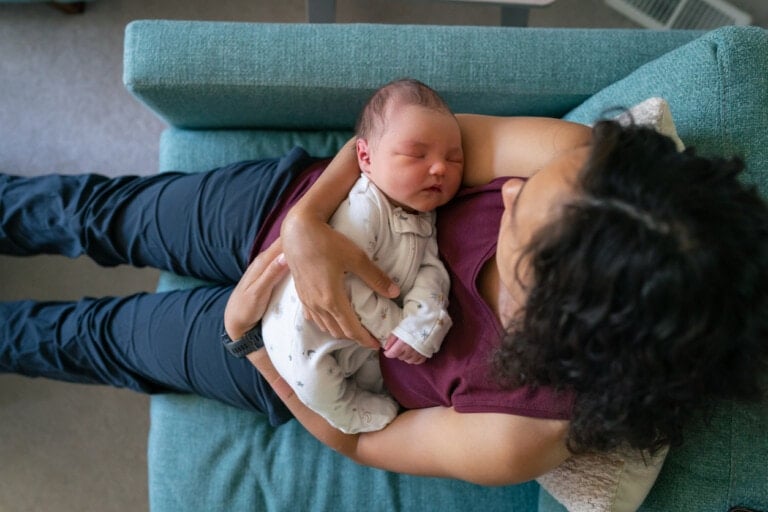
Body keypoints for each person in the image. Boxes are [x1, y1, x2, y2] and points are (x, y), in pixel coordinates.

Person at [1, 98, 767, 485]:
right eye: (523, 189)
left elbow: (364, 440)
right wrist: (304, 221)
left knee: (98, 337)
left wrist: (248, 339)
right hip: (292, 208)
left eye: (516, 231)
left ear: (556, 335)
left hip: (294, 356)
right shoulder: (573, 159)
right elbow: (411, 132)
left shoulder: (523, 431)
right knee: (99, 213)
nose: (501, 198)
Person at [260, 79, 462, 433]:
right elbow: (346, 282)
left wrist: (421, 323)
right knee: (315, 380)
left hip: (358, 336)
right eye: (417, 155)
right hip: (301, 332)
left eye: (454, 158)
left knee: (373, 369)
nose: (440, 168)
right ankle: (345, 414)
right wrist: (392, 330)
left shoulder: (424, 215)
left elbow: (432, 271)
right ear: (366, 158)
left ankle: (364, 395)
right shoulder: (366, 207)